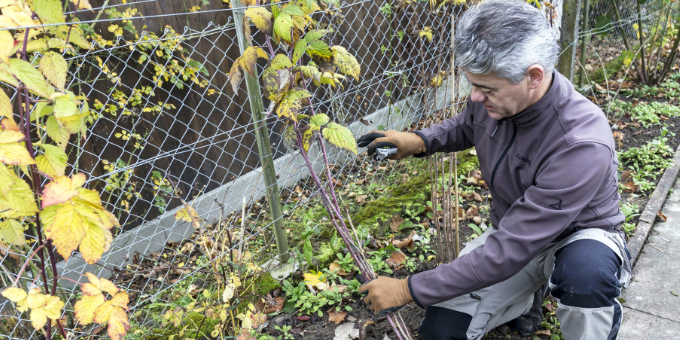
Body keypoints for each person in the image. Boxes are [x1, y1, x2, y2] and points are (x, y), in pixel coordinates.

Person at [356, 1, 632, 339]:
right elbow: (469, 125)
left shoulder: (581, 142)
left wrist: (407, 289)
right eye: (472, 84)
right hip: (513, 231)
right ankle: (527, 295)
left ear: (533, 77)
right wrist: (419, 140)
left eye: (485, 89)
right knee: (442, 331)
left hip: (576, 238)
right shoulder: (500, 99)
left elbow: (508, 249)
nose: (474, 97)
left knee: (584, 276)